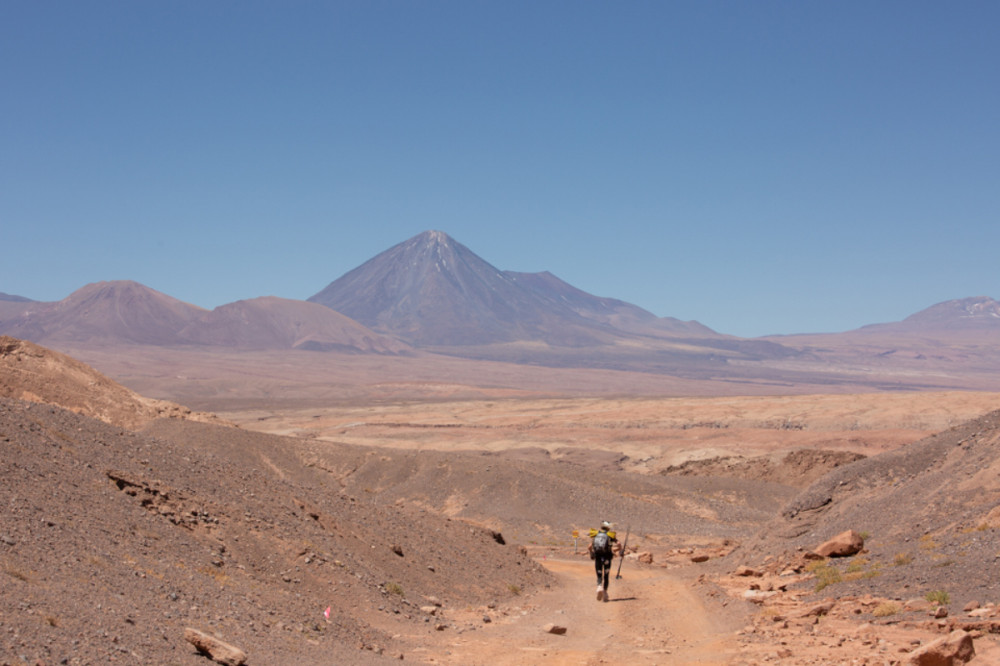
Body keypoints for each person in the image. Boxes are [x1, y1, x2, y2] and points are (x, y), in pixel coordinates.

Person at [588, 521, 617, 602]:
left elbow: (589, 546)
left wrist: (591, 553)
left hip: (598, 557)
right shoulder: (610, 535)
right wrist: (620, 551)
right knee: (606, 575)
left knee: (599, 573)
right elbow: (619, 543)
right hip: (607, 557)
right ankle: (605, 593)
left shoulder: (596, 534)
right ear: (608, 528)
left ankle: (599, 586)